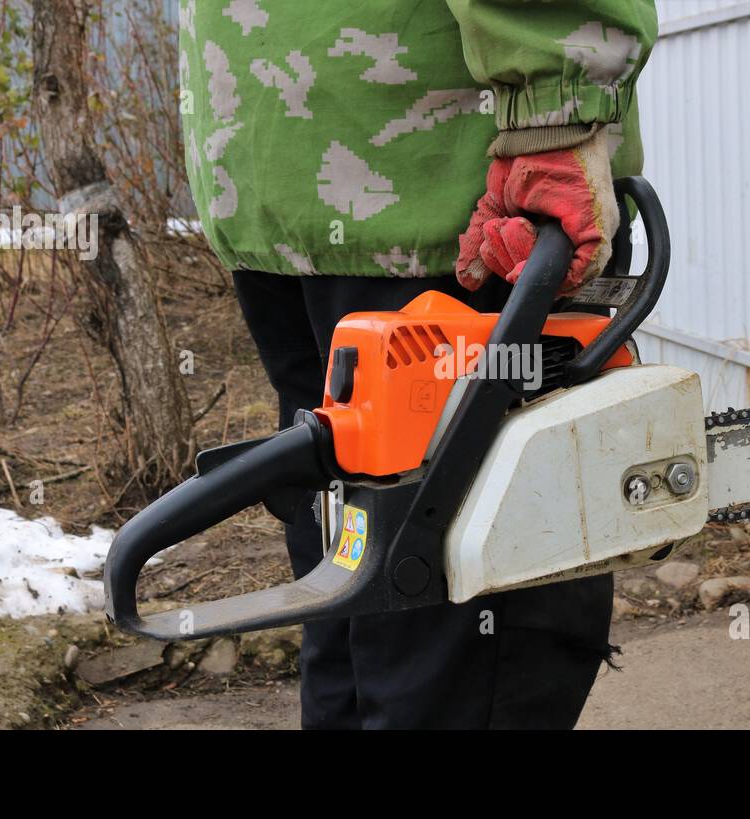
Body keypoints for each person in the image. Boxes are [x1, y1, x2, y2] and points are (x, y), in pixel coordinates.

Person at [179, 0, 657, 729]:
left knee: (359, 592)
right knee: (470, 632)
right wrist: (557, 106)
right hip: (445, 196)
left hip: (279, 169)